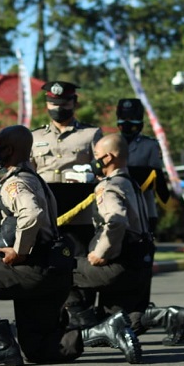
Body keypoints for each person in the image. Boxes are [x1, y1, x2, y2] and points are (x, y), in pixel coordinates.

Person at [0, 125, 140, 366]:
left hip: (30, 266)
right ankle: (103, 331)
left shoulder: (14, 183)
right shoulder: (37, 179)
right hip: (54, 271)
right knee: (38, 348)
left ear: (10, 150)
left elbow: (32, 214)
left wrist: (20, 250)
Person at [64, 134, 150, 353]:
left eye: (96, 156)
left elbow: (115, 220)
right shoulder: (131, 183)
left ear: (108, 157)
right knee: (119, 317)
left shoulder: (108, 186)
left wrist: (101, 252)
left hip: (119, 264)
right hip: (140, 262)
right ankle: (164, 316)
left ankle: (87, 325)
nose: (93, 161)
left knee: (62, 269)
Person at [116, 98, 184, 345]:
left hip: (142, 216)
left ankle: (138, 318)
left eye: (132, 119)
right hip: (113, 215)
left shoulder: (149, 145)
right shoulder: (107, 143)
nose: (127, 124)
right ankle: (120, 319)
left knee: (140, 268)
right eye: (123, 119)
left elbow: (159, 184)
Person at [30, 81, 102, 183]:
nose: (58, 108)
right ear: (46, 104)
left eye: (64, 104)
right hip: (44, 196)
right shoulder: (35, 136)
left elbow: (101, 172)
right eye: (53, 104)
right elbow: (28, 173)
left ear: (75, 103)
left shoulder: (91, 134)